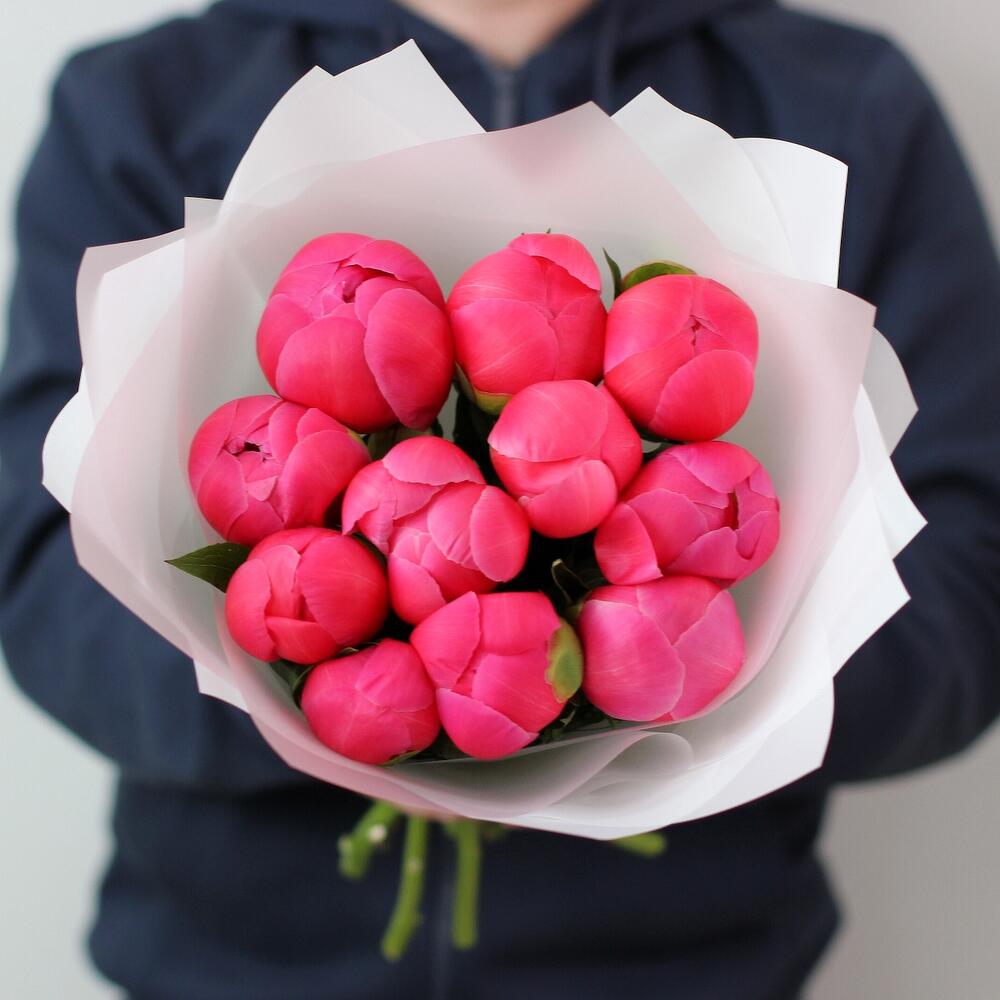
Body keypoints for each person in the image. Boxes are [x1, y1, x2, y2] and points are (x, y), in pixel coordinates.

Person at [2, 1, 999, 997]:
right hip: (226, 969)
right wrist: (349, 725)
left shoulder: (846, 103)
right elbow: (41, 567)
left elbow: (969, 589)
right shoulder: (141, 104)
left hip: (688, 970)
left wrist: (681, 710)